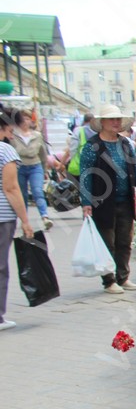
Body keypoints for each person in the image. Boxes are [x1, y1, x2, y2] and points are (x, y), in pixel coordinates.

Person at [80, 104, 136, 295]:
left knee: (124, 241)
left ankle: (123, 277)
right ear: (102, 122)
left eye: (118, 119)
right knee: (107, 241)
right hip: (102, 201)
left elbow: (135, 170)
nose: (116, 122)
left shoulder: (125, 143)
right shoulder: (92, 145)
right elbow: (86, 175)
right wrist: (86, 202)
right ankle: (109, 280)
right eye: (111, 119)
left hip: (125, 199)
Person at [0, 106, 36, 331]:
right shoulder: (5, 152)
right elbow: (12, 188)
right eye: (10, 130)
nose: (12, 134)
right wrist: (25, 219)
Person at [11, 111, 52, 229]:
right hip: (20, 166)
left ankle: (45, 217)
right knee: (22, 193)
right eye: (23, 118)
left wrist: (44, 170)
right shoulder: (13, 135)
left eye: (28, 119)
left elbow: (42, 153)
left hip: (35, 165)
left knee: (37, 191)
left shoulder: (37, 135)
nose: (26, 121)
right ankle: (24, 220)